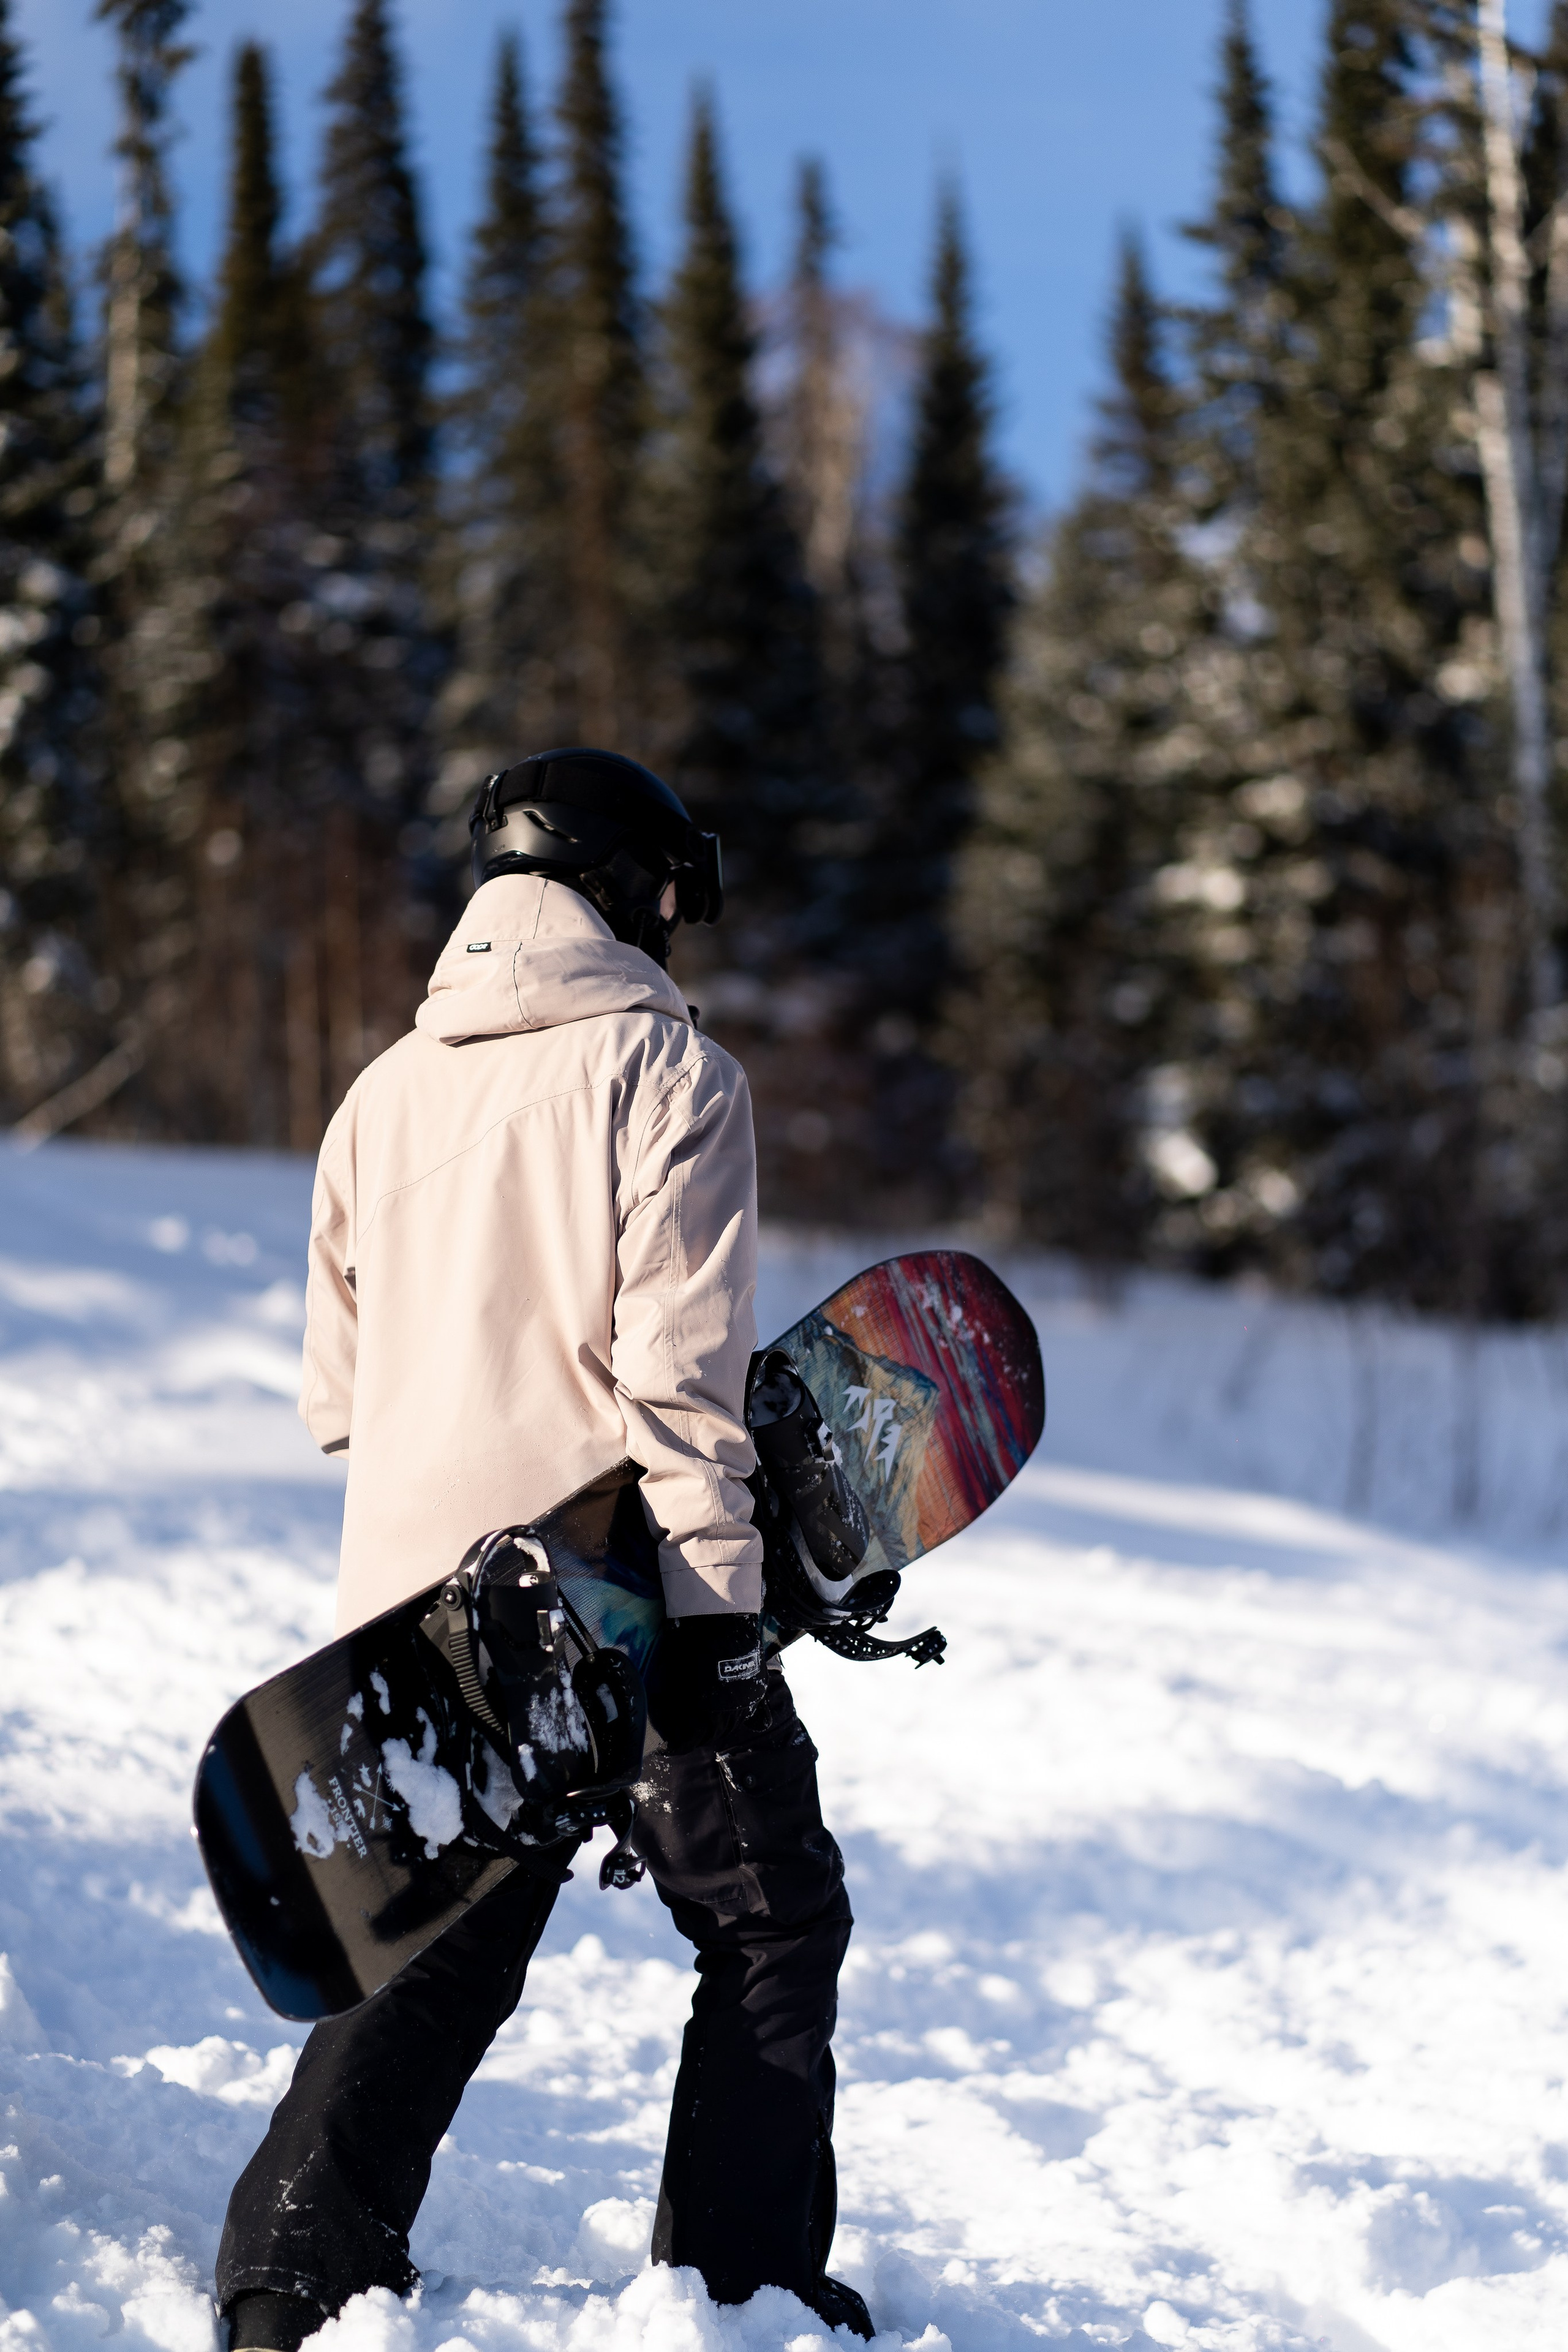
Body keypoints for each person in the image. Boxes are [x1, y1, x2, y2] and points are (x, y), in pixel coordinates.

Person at [214, 748, 872, 2350]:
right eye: (671, 890)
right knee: (773, 1913)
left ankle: (287, 2282)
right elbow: (680, 1380)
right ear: (631, 885)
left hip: (426, 1616)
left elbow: (338, 1396)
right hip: (618, 1585)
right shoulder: (668, 1073)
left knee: (436, 1941)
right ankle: (739, 2282)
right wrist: (718, 1621)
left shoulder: (380, 1094)